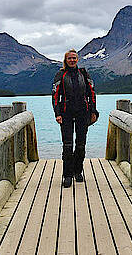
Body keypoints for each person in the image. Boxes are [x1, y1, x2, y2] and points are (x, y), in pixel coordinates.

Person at [52, 49, 97, 188]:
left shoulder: (83, 73)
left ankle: (78, 171)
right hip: (66, 113)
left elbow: (92, 93)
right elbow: (54, 95)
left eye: (74, 58)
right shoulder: (60, 74)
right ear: (65, 60)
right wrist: (57, 113)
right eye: (69, 58)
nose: (72, 60)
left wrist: (93, 111)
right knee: (67, 145)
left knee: (81, 144)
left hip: (83, 113)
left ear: (77, 59)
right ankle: (67, 175)